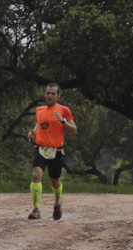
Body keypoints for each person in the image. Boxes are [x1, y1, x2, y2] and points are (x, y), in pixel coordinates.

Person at [28, 83, 77, 220]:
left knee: (54, 180)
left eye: (53, 93)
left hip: (56, 150)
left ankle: (57, 203)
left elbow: (74, 131)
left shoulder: (64, 110)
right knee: (36, 175)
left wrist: (63, 121)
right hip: (40, 148)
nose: (49, 96)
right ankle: (36, 208)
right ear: (45, 94)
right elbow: (39, 123)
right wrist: (33, 133)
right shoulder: (39, 109)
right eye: (48, 93)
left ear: (58, 96)